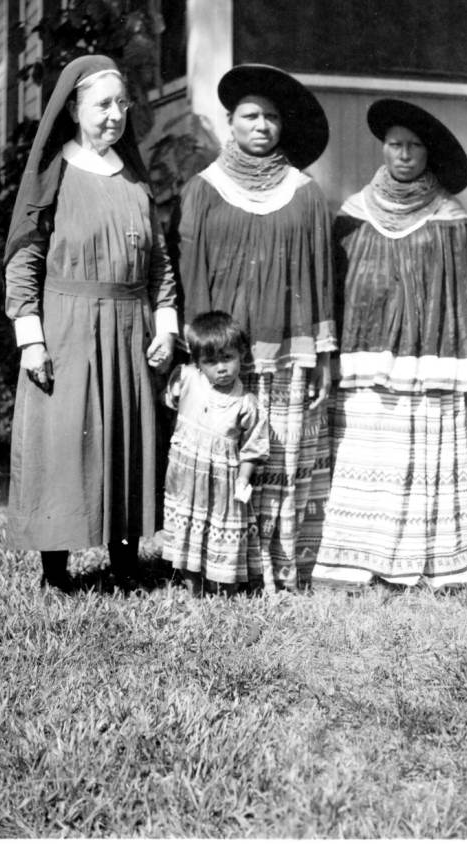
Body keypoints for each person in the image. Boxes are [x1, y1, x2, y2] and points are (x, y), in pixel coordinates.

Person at [4, 54, 177, 594]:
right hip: (66, 326)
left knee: (124, 437)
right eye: (102, 104)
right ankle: (55, 572)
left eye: (122, 104)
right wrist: (30, 338)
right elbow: (24, 258)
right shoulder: (55, 175)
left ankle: (125, 566)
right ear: (74, 109)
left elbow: (159, 263)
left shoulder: (133, 181)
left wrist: (165, 326)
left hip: (129, 325)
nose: (114, 115)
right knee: (62, 442)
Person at [173, 64, 337, 591]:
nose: (261, 124)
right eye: (250, 115)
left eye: (271, 116)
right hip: (223, 358)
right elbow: (190, 273)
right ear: (231, 123)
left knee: (277, 458)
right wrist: (192, 358)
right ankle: (219, 568)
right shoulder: (202, 189)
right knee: (220, 457)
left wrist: (324, 354)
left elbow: (320, 275)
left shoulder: (307, 194)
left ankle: (276, 566)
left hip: (287, 349)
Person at [314, 98, 467, 590]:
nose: (404, 155)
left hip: (426, 363)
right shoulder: (352, 213)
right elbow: (336, 285)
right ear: (382, 149)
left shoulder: (449, 219)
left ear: (427, 154)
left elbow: (464, 299)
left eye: (413, 146)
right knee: (364, 456)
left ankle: (426, 560)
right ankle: (354, 559)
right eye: (395, 145)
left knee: (420, 456)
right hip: (364, 362)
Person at [162, 310, 270, 594]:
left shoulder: (246, 404)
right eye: (210, 362)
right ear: (197, 363)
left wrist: (243, 480)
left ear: (241, 355)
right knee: (188, 530)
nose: (221, 368)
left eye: (227, 358)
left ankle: (226, 590)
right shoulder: (186, 380)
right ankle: (192, 588)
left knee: (222, 534)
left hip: (222, 486)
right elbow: (171, 402)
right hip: (186, 480)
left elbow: (252, 449)